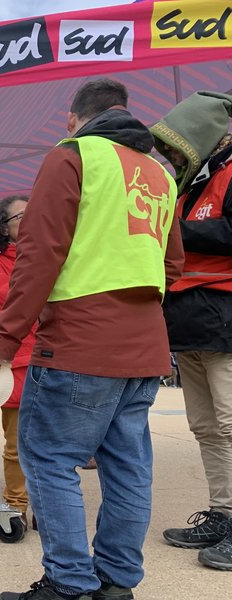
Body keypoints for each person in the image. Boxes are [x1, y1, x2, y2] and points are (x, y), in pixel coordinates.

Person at [0, 78, 183, 600]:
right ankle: (117, 590)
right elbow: (172, 267)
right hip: (145, 347)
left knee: (48, 458)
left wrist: (4, 338)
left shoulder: (73, 155)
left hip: (78, 341)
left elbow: (39, 253)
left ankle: (67, 591)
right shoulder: (161, 172)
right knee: (129, 467)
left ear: (75, 119)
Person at [150, 91, 232, 571]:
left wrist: (174, 230)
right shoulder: (189, 184)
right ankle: (223, 515)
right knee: (206, 427)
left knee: (229, 422)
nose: (172, 158)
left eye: (176, 149)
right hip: (189, 318)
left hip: (224, 312)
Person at [0, 195, 33, 528]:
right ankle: (17, 503)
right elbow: (12, 304)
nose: (32, 220)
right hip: (17, 364)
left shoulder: (57, 257)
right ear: (3, 228)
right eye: (22, 216)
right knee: (16, 444)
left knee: (52, 444)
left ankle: (44, 504)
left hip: (54, 360)